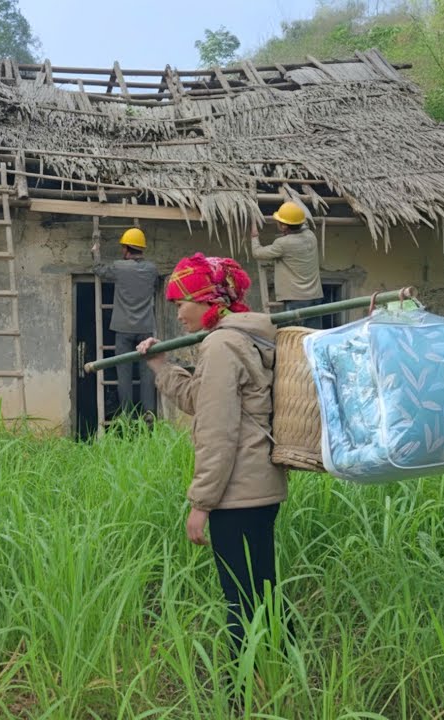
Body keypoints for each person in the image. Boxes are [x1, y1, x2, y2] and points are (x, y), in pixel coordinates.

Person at [138, 253, 289, 649]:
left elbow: (217, 430)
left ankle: (237, 693)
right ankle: (283, 670)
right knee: (263, 590)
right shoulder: (237, 339)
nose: (178, 314)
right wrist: (162, 367)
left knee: (240, 598)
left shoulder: (222, 344)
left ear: (208, 300)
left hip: (237, 492)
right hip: (259, 485)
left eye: (181, 302)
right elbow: (200, 399)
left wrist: (201, 503)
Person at [92, 227, 159, 421]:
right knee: (147, 374)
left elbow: (98, 271)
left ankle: (127, 414)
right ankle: (149, 415)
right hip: (145, 328)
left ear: (126, 249)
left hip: (123, 329)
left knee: (124, 375)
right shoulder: (152, 269)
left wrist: (95, 253)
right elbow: (154, 286)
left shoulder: (119, 267)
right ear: (141, 248)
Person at [250, 201, 324, 329]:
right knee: (312, 334)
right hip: (315, 296)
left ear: (284, 226)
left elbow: (257, 253)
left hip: (296, 300)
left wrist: (254, 236)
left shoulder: (283, 244)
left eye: (279, 221)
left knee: (291, 336)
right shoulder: (311, 236)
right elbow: (301, 225)